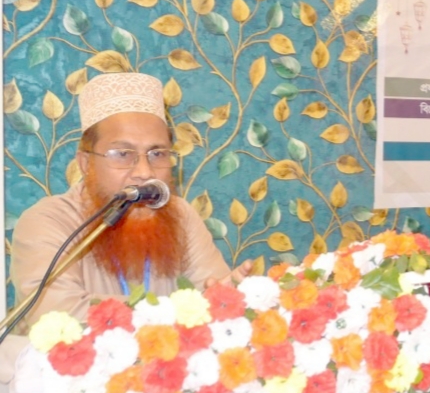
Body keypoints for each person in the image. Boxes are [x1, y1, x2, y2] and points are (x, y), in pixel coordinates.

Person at [10, 73, 251, 325]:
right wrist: (178, 311)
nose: (145, 172)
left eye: (157, 153)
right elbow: (58, 315)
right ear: (86, 163)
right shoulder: (47, 221)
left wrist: (225, 301)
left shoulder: (181, 215)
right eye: (123, 154)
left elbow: (212, 297)